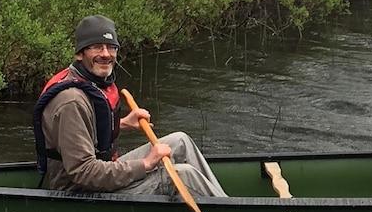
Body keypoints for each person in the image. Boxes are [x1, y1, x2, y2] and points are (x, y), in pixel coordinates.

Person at [33, 15, 228, 200]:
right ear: (79, 53)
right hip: (78, 192)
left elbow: (88, 129)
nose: (106, 54)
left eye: (111, 48)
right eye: (96, 48)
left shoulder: (88, 81)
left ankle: (225, 202)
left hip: (101, 174)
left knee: (180, 141)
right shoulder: (71, 101)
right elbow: (83, 173)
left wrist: (122, 123)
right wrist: (146, 163)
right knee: (182, 176)